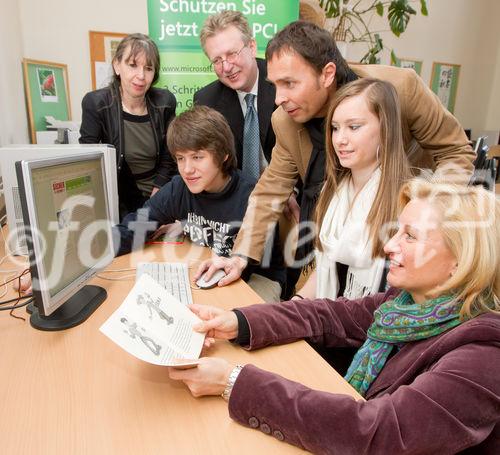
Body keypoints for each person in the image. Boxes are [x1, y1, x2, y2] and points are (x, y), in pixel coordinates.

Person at [169, 179, 500, 454]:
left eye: (409, 236)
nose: (389, 246)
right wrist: (238, 322)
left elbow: (380, 433)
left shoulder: (483, 357)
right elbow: (328, 315)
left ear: (461, 260)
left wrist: (235, 382)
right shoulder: (405, 303)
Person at [195, 20, 475, 297]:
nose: (278, 98)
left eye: (290, 83)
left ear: (327, 74)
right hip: (325, 245)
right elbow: (271, 188)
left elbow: (456, 152)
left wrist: (425, 215)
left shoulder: (399, 90)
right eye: (275, 85)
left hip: (394, 242)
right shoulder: (286, 120)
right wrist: (240, 256)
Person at [114, 105, 285, 303]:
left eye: (197, 157)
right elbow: (135, 226)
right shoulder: (179, 188)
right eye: (180, 158)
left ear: (223, 155)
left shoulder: (251, 195)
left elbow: (248, 265)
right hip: (209, 272)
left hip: (258, 277)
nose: (187, 169)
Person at [295, 77, 410, 302]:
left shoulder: (407, 202)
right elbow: (323, 270)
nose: (340, 139)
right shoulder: (332, 190)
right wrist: (292, 307)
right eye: (335, 128)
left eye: (354, 127)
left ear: (386, 129)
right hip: (329, 317)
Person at [79, 33, 177, 219]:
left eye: (148, 68)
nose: (141, 76)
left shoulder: (165, 102)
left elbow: (170, 154)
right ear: (117, 65)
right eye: (132, 65)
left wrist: (159, 192)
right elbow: (88, 162)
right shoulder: (96, 103)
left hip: (160, 192)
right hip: (117, 196)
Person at [194, 10, 276, 182]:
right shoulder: (207, 101)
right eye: (217, 60)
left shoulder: (281, 82)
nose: (226, 67)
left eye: (232, 54)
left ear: (252, 47)